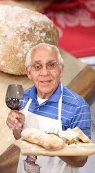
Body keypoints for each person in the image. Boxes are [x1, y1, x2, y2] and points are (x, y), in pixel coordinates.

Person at [6, 43, 92, 173]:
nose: (44, 73)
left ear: (61, 70)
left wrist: (51, 144)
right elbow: (20, 138)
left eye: (51, 65)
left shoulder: (78, 106)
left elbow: (81, 160)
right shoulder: (25, 97)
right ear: (29, 72)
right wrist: (17, 127)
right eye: (37, 66)